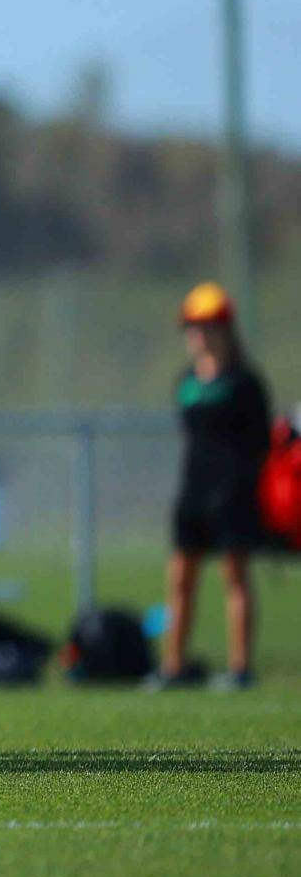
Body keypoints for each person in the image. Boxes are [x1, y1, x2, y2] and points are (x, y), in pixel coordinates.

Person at [155, 282, 273, 690]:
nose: (199, 335)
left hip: (232, 494)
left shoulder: (245, 383)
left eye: (207, 326)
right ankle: (173, 665)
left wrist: (242, 483)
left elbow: (260, 441)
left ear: (225, 330)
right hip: (193, 492)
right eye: (192, 327)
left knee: (234, 579)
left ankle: (240, 668)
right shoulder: (187, 382)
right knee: (180, 580)